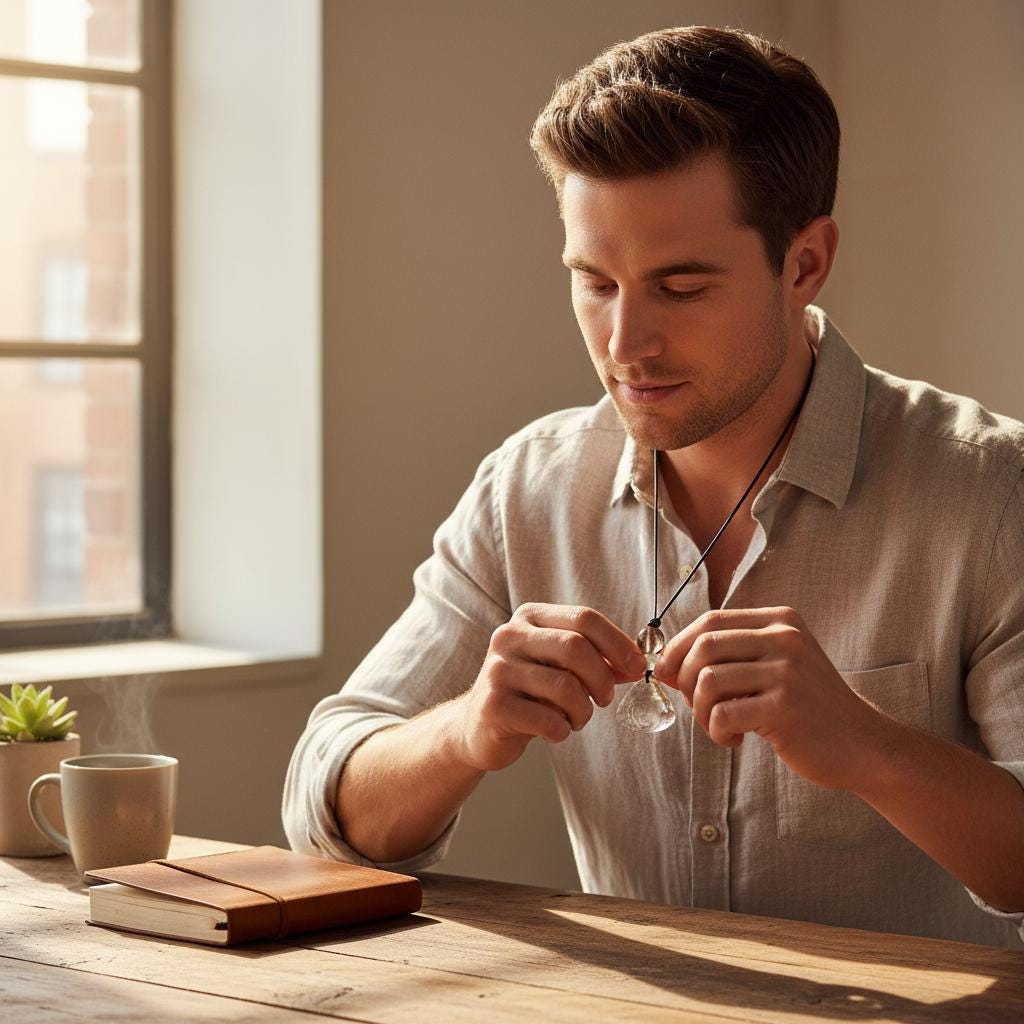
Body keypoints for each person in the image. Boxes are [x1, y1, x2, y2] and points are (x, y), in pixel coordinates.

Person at [283, 25, 1024, 948]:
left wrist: (871, 750)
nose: (624, 345)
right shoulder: (529, 489)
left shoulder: (992, 492)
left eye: (680, 287)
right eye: (594, 283)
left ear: (805, 264)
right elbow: (324, 807)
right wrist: (467, 730)